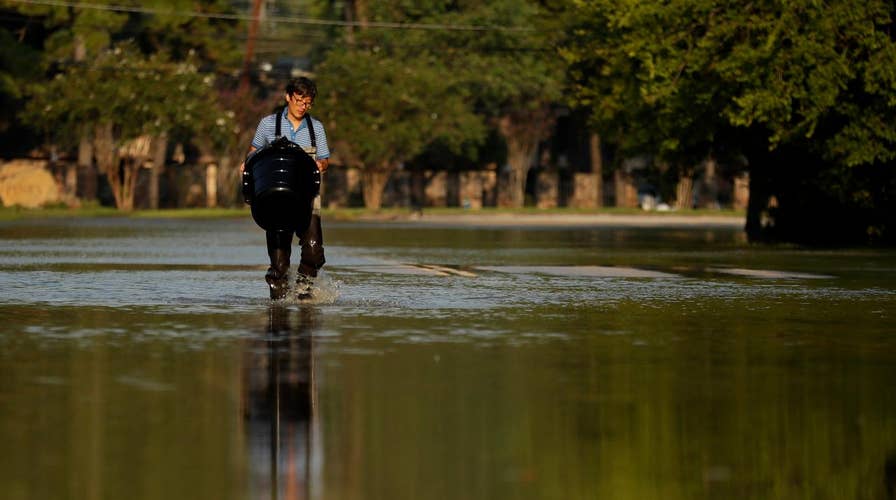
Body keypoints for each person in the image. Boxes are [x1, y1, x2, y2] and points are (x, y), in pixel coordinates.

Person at [243, 77, 331, 300]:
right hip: (275, 199)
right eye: (299, 100)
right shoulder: (267, 124)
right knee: (279, 264)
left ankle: (303, 292)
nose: (303, 106)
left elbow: (324, 159)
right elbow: (254, 152)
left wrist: (322, 164)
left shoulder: (316, 128)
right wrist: (247, 162)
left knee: (314, 252)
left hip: (307, 198)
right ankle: (279, 306)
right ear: (288, 97)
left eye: (308, 103)